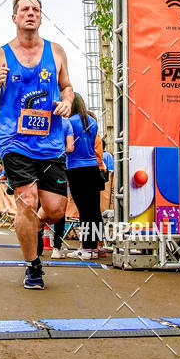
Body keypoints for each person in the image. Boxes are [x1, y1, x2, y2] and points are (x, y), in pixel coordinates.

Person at [0, 0, 73, 289]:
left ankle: (33, 230)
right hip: (15, 140)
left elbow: (67, 87)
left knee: (57, 209)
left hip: (51, 142)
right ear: (15, 17)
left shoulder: (56, 51)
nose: (30, 13)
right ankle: (33, 267)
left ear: (41, 16)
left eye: (35, 8)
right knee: (27, 200)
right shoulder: (2, 54)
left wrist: (68, 102)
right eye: (24, 9)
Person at [66, 93, 104, 260]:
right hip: (93, 169)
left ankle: (87, 249)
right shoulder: (93, 122)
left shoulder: (69, 123)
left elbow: (68, 147)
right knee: (94, 210)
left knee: (84, 210)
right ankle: (94, 248)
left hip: (76, 168)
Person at [51, 117, 75, 259]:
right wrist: (61, 150)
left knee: (38, 205)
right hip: (59, 166)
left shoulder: (40, 116)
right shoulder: (66, 123)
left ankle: (37, 245)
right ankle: (57, 247)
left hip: (39, 163)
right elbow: (71, 147)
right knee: (59, 207)